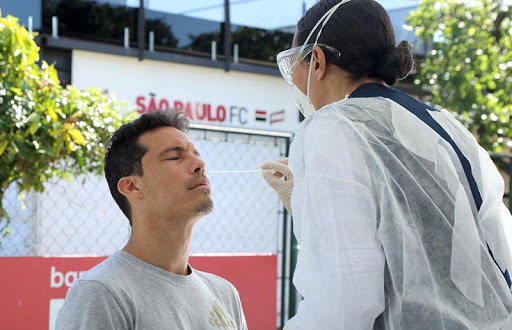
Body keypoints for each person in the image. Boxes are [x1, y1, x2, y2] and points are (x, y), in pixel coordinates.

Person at [259, 0, 512, 329]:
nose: (293, 81)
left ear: (317, 60)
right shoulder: (443, 123)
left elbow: (348, 297)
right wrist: (307, 203)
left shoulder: (331, 125)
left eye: (294, 65)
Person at [56, 110, 247, 329]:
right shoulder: (102, 292)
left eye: (197, 155)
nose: (199, 165)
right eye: (175, 157)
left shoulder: (225, 294)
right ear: (132, 186)